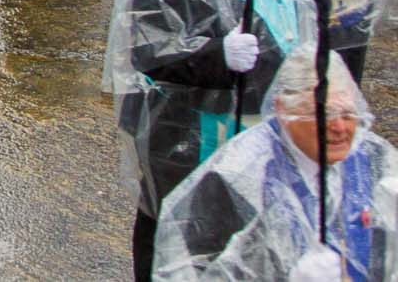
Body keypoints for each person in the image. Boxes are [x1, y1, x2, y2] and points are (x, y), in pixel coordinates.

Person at [106, 0, 313, 282]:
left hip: (254, 123)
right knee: (176, 229)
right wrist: (217, 56)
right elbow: (149, 51)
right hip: (186, 132)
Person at [152, 46, 396, 282]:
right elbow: (186, 269)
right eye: (324, 115)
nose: (340, 128)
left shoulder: (377, 163)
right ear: (284, 110)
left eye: (348, 114)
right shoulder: (237, 177)